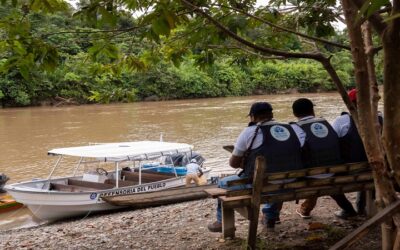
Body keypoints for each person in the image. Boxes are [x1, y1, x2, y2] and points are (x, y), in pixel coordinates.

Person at [207, 102, 305, 233]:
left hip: (264, 185)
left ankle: (221, 222)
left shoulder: (250, 132)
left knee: (223, 183)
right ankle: (270, 217)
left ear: (253, 116)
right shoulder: (291, 128)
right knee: (276, 180)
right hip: (292, 182)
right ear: (271, 114)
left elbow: (234, 164)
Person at [291, 98, 358, 219]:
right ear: (312, 111)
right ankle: (348, 209)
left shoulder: (294, 128)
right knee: (327, 180)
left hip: (310, 175)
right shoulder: (325, 123)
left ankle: (272, 216)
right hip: (334, 172)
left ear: (294, 114)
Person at [332, 89, 383, 217]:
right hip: (379, 167)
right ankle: (362, 207)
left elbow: (332, 143)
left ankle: (349, 210)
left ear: (350, 103)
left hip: (351, 170)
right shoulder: (381, 118)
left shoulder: (342, 121)